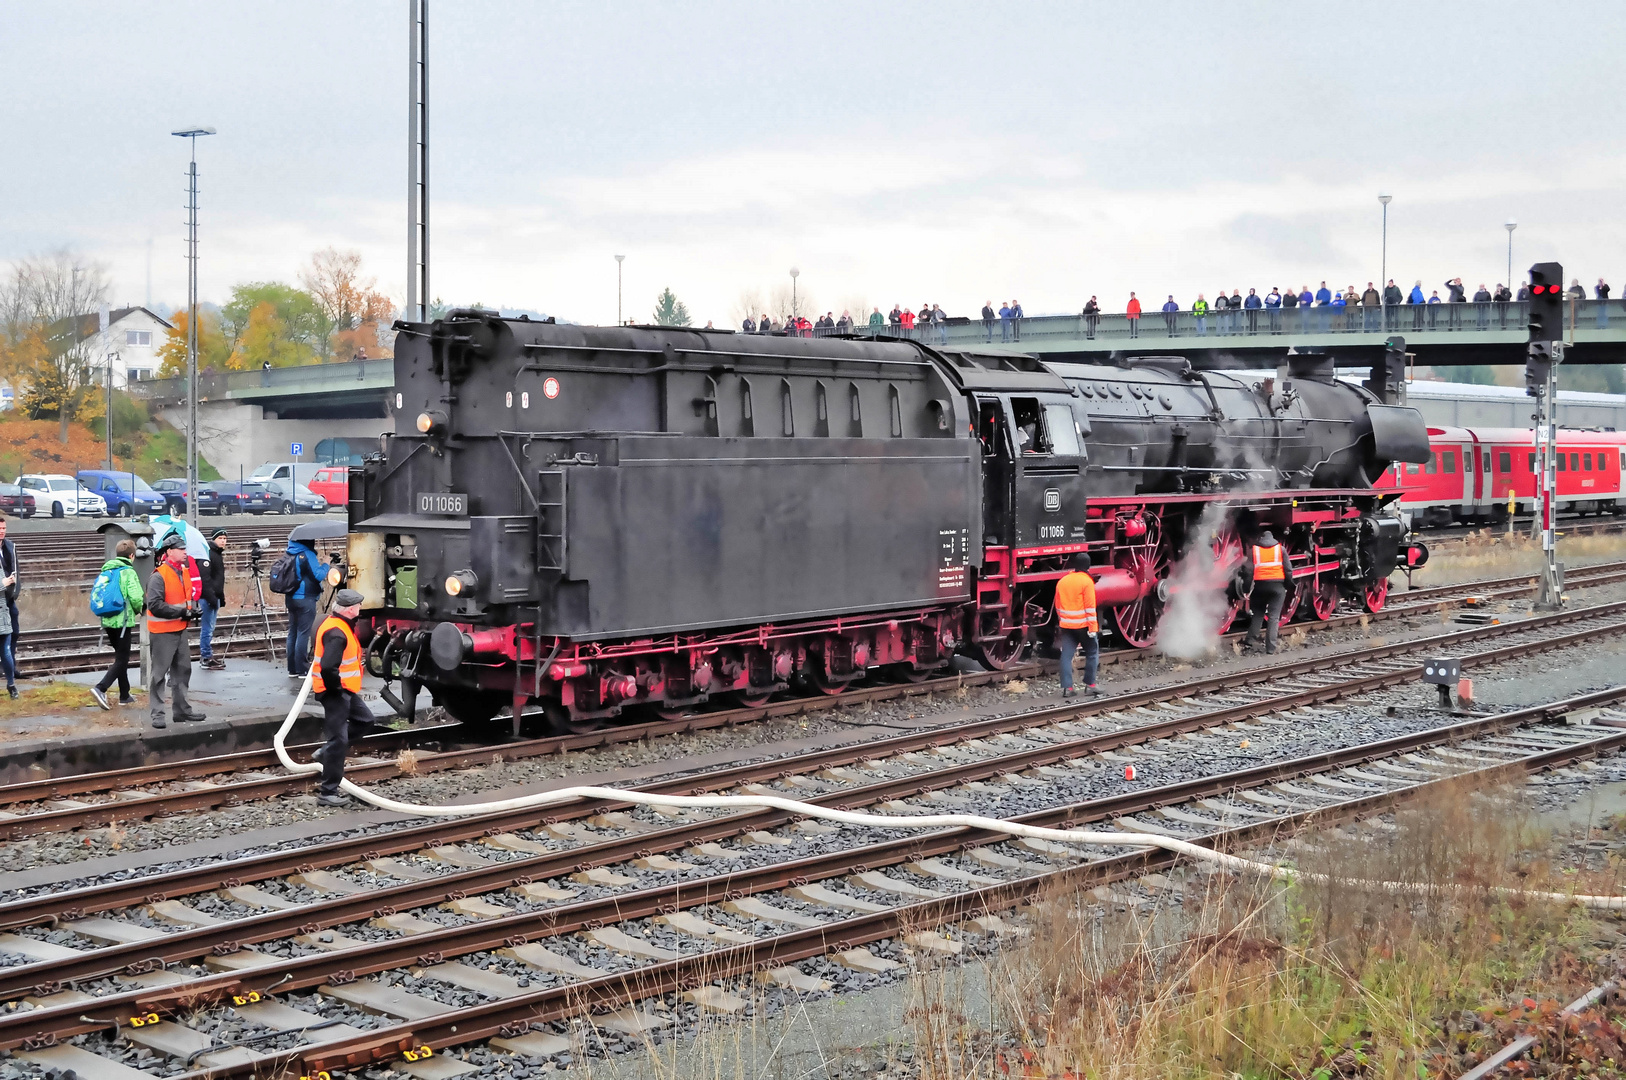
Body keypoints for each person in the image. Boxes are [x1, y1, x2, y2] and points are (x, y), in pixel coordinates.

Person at [311, 589, 377, 807]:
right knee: (339, 740)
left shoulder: (339, 625)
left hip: (344, 690)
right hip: (335, 692)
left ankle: (327, 752)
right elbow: (329, 666)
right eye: (358, 606)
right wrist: (336, 689)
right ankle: (327, 792)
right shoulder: (337, 633)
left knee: (365, 721)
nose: (360, 609)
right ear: (350, 609)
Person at [147, 531, 205, 728]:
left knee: (182, 671)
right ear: (169, 552)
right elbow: (154, 605)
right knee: (159, 675)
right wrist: (182, 612)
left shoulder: (184, 571)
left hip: (180, 629)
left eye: (184, 549)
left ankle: (181, 711)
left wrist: (193, 609)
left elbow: (187, 598)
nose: (184, 552)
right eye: (181, 549)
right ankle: (157, 714)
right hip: (163, 632)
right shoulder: (159, 576)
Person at [90, 538, 145, 709]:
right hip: (122, 622)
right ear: (131, 555)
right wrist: (141, 609)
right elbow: (136, 597)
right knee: (122, 659)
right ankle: (101, 688)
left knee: (120, 657)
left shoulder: (107, 570)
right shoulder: (128, 572)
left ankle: (124, 694)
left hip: (107, 620)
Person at [283, 536, 331, 680]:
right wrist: (326, 564)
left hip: (291, 598)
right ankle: (303, 669)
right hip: (305, 598)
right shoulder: (307, 554)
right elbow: (318, 575)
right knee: (303, 633)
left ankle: (292, 669)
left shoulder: (290, 552)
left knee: (293, 632)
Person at [1053, 552, 1099, 698]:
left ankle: (1068, 688)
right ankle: (1090, 685)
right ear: (1088, 566)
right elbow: (1090, 608)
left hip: (1066, 626)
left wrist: (1063, 621)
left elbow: (1058, 605)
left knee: (1066, 656)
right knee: (1092, 653)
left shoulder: (1063, 581)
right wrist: (1093, 628)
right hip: (1084, 625)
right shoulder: (1087, 582)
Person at [1242, 529, 1287, 655]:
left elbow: (1249, 572)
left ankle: (1250, 641)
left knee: (1257, 614)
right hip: (1277, 587)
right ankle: (1270, 648)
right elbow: (1288, 570)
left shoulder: (1254, 550)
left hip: (1260, 586)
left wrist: (1246, 589)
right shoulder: (1280, 549)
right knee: (1273, 617)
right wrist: (1288, 584)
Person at [199, 529, 227, 670]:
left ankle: (207, 655)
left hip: (214, 597)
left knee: (210, 628)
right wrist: (211, 597)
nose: (223, 540)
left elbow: (218, 579)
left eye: (224, 538)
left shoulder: (217, 554)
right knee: (207, 629)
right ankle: (206, 657)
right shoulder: (209, 554)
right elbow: (206, 579)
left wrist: (221, 598)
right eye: (220, 538)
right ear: (214, 539)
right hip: (208, 597)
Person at [0, 518, 15, 699]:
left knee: (6, 651)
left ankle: (11, 684)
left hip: (4, 608)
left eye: (3, 528)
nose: (2, 531)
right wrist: (3, 583)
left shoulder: (9, 547)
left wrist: (12, 586)